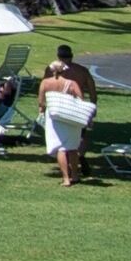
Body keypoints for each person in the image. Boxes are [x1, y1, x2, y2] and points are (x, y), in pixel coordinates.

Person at [37, 46, 98, 185]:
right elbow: (87, 95)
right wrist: (92, 108)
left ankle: (65, 178)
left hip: (54, 115)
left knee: (59, 147)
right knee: (73, 145)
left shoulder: (46, 81)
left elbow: (41, 101)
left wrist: (41, 112)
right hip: (72, 114)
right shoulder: (79, 74)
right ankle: (76, 171)